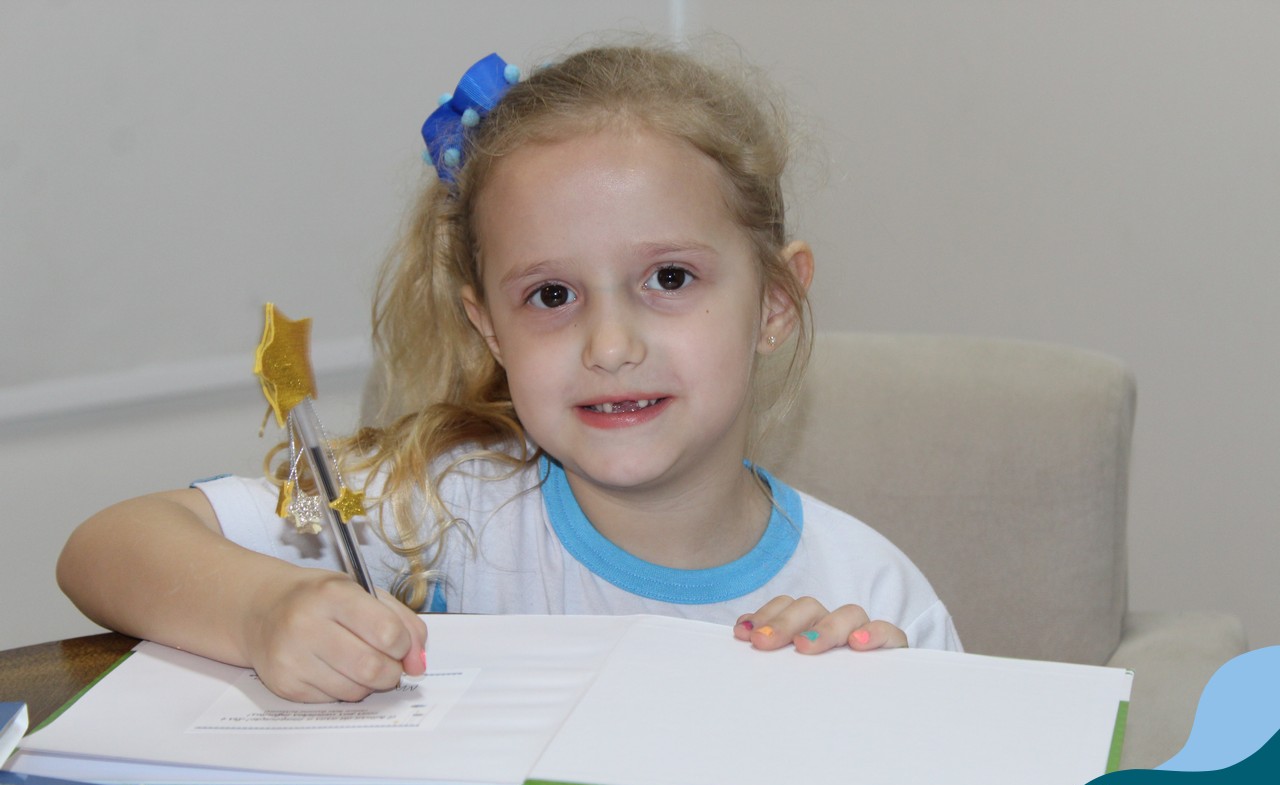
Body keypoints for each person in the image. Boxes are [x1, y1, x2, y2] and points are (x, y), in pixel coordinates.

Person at [57, 40, 961, 704]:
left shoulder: (875, 595)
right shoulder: (446, 508)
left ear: (774, 303)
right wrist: (265, 609)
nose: (610, 344)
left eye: (670, 278)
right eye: (551, 295)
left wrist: (884, 716)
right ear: (488, 326)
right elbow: (105, 546)